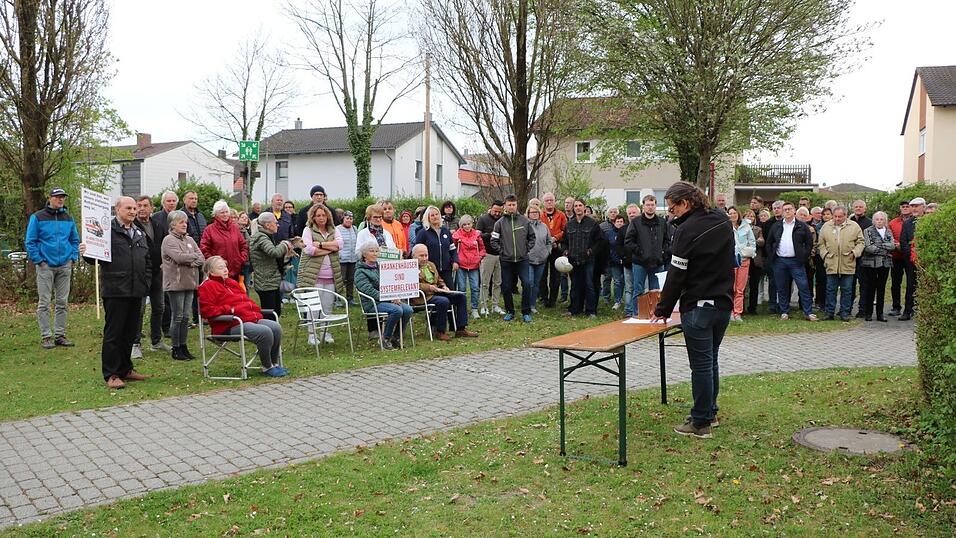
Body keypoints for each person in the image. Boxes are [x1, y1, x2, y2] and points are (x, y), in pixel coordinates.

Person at [649, 182, 735, 439]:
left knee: (701, 366)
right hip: (722, 303)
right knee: (711, 360)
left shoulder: (686, 231)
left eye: (673, 207)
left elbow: (676, 274)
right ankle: (709, 412)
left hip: (698, 306)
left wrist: (663, 308)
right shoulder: (722, 219)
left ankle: (700, 423)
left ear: (686, 203)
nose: (671, 213)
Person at [82, 196, 151, 389]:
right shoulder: (106, 231)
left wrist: (146, 280)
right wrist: (87, 251)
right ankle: (111, 374)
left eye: (134, 208)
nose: (132, 211)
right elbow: (94, 258)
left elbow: (146, 260)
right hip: (116, 289)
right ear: (117, 209)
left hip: (136, 289)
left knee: (130, 333)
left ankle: (125, 369)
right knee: (114, 333)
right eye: (128, 208)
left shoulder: (139, 231)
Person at [198, 256, 288, 377]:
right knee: (264, 332)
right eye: (220, 268)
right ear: (211, 272)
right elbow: (207, 311)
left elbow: (246, 301)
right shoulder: (207, 286)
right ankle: (267, 367)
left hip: (247, 318)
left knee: (275, 327)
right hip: (228, 325)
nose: (225, 270)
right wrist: (230, 309)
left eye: (225, 266)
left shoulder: (231, 282)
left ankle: (274, 363)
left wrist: (255, 311)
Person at [25, 187, 80, 349]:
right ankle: (46, 336)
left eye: (62, 197)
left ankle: (60, 335)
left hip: (64, 265)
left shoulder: (68, 218)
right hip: (45, 265)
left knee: (62, 301)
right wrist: (39, 260)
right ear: (49, 198)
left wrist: (73, 258)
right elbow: (31, 241)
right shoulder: (38, 217)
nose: (60, 200)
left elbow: (74, 240)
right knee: (44, 302)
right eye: (57, 197)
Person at [161, 210, 205, 360]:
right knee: (178, 316)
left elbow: (202, 258)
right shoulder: (168, 240)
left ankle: (183, 346)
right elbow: (178, 258)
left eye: (185, 222)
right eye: (181, 222)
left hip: (190, 283)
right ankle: (176, 348)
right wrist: (192, 258)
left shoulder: (190, 240)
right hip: (175, 284)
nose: (184, 225)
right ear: (173, 225)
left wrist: (190, 259)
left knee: (186, 317)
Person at [298, 203, 345, 344]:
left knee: (327, 307)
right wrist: (331, 248)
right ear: (313, 217)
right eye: (318, 215)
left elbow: (340, 245)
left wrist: (320, 244)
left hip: (331, 276)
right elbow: (309, 250)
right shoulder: (308, 230)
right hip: (314, 276)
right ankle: (312, 335)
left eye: (323, 215)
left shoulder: (333, 229)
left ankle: (325, 333)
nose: (321, 218)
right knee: (313, 307)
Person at [411, 244, 477, 340]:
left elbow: (439, 279)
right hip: (422, 297)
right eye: (421, 256)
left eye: (426, 255)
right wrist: (429, 287)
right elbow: (412, 285)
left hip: (436, 292)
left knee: (460, 297)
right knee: (443, 301)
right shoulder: (410, 267)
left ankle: (461, 328)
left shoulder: (431, 264)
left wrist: (443, 286)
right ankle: (440, 331)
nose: (424, 258)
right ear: (414, 256)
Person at [765, 202, 818, 321]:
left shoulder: (801, 226)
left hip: (796, 262)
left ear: (794, 211)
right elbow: (769, 242)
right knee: (782, 287)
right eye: (785, 210)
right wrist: (771, 256)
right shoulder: (776, 226)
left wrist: (804, 256)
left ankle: (808, 312)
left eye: (789, 209)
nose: (787, 211)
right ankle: (784, 311)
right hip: (780, 261)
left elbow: (809, 243)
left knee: (803, 286)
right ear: (782, 212)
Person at [354, 242, 412, 350]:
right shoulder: (360, 272)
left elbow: (390, 284)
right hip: (372, 303)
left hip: (386, 300)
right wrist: (390, 298)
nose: (375, 254)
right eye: (372, 251)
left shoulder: (381, 267)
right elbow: (369, 291)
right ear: (364, 255)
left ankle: (396, 337)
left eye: (376, 251)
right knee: (397, 310)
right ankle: (385, 338)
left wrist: (395, 295)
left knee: (408, 309)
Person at [131, 195, 167, 358]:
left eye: (145, 205)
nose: (142, 208)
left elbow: (164, 245)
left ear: (152, 208)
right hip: (140, 273)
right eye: (139, 206)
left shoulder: (158, 225)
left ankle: (156, 341)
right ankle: (135, 343)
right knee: (139, 309)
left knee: (159, 306)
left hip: (157, 272)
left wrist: (164, 262)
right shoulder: (132, 226)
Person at [491, 195, 536, 322]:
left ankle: (526, 312)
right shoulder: (499, 223)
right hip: (506, 260)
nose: (511, 207)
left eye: (514, 204)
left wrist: (527, 249)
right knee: (506, 287)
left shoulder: (525, 221)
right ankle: (510, 311)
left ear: (517, 205)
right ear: (505, 206)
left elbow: (532, 237)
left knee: (527, 284)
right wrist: (502, 251)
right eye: (509, 205)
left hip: (522, 259)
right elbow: (493, 240)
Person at [624, 194, 670, 316]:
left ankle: (655, 314)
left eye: (652, 205)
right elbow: (629, 241)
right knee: (638, 290)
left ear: (656, 206)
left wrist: (664, 253)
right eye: (647, 205)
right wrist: (640, 252)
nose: (650, 207)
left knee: (656, 291)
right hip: (640, 262)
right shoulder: (636, 222)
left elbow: (667, 240)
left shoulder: (662, 222)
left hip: (658, 262)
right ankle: (637, 314)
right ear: (643, 206)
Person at [817, 206, 864, 322]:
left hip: (847, 262)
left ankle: (845, 313)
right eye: (835, 216)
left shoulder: (854, 226)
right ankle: (829, 313)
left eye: (840, 216)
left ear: (845, 216)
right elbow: (820, 244)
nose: (837, 219)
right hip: (831, 262)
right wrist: (825, 254)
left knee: (847, 289)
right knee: (830, 289)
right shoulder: (826, 226)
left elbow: (861, 242)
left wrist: (855, 253)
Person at [249, 212, 295, 315]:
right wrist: (285, 244)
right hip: (265, 283)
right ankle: (267, 331)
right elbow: (274, 252)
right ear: (268, 225)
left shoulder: (266, 236)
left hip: (271, 281)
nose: (278, 224)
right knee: (270, 314)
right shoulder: (261, 237)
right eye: (275, 222)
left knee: (276, 313)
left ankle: (273, 330)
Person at [565, 198, 601, 317]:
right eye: (576, 206)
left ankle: (591, 311)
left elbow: (599, 242)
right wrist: (565, 251)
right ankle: (574, 309)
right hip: (573, 260)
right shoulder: (569, 224)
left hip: (588, 260)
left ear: (584, 207)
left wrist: (591, 251)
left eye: (580, 205)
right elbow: (564, 241)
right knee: (575, 285)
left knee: (589, 285)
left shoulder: (592, 224)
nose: (578, 207)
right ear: (573, 208)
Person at [152, 190, 179, 337]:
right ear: (163, 203)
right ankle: (165, 326)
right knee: (164, 297)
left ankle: (176, 323)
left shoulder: (181, 217)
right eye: (169, 201)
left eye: (174, 201)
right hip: (163, 262)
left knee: (176, 294)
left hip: (179, 262)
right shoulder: (156, 218)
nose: (171, 203)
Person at [200, 200, 248, 281]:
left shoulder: (235, 228)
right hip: (217, 274)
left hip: (235, 271)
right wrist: (214, 264)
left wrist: (241, 259)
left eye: (226, 212)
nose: (225, 214)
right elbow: (204, 249)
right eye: (222, 212)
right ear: (216, 214)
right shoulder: (209, 230)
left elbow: (243, 246)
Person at [860, 211, 895, 322]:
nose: (879, 221)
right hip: (871, 264)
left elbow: (892, 245)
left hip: (885, 264)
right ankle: (868, 313)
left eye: (881, 219)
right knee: (870, 288)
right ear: (873, 220)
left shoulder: (888, 231)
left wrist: (880, 246)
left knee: (881, 288)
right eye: (877, 219)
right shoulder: (868, 231)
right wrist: (884, 249)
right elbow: (868, 247)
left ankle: (880, 314)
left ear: (885, 221)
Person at [416, 205, 459, 289]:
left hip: (446, 269)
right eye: (432, 215)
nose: (435, 217)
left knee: (450, 291)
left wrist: (455, 261)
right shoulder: (423, 233)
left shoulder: (446, 231)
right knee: (437, 294)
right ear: (427, 217)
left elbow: (452, 249)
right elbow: (417, 251)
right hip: (430, 269)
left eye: (436, 214)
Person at [452, 214, 485, 319]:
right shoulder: (457, 235)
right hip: (461, 264)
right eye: (464, 224)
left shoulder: (476, 234)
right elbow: (452, 249)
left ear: (472, 224)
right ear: (461, 225)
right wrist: (455, 260)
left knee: (475, 287)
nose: (467, 226)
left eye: (468, 224)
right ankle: (462, 309)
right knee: (461, 288)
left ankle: (475, 309)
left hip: (474, 264)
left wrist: (479, 257)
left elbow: (482, 248)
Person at [898, 197, 925, 321]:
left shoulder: (929, 220)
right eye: (912, 206)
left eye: (916, 206)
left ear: (923, 207)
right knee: (910, 285)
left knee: (925, 286)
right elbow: (903, 241)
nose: (913, 208)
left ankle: (923, 311)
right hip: (910, 259)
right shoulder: (907, 223)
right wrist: (910, 255)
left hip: (926, 260)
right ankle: (908, 311)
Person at [539, 192, 568, 308]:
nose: (549, 202)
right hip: (543, 248)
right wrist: (547, 240)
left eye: (551, 200)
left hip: (557, 248)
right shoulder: (540, 215)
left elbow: (565, 230)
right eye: (547, 201)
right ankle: (544, 299)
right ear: (543, 202)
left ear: (554, 201)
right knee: (542, 274)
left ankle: (553, 300)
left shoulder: (561, 215)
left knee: (555, 276)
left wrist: (555, 238)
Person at [475, 200, 504, 315]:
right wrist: (489, 234)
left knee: (498, 282)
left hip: (500, 254)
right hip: (487, 254)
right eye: (495, 211)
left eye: (499, 211)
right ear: (491, 208)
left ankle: (495, 305)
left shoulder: (503, 220)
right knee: (485, 282)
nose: (497, 213)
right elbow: (477, 235)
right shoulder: (483, 219)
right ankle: (484, 305)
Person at [525, 204, 553, 315]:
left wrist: (548, 252)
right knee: (529, 282)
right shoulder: (526, 226)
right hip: (529, 259)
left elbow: (549, 241)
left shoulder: (544, 226)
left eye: (536, 212)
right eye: (532, 212)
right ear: (528, 214)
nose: (534, 214)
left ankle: (532, 305)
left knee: (536, 283)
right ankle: (526, 304)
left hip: (541, 259)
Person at [729, 207, 755, 321]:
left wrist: (750, 251)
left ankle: (737, 312)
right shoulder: (726, 227)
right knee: (730, 287)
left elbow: (752, 241)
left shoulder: (746, 226)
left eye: (734, 213)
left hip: (744, 259)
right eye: (730, 213)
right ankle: (729, 312)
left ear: (738, 214)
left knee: (740, 288)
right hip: (730, 260)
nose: (733, 215)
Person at [759, 200, 784, 313]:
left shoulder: (788, 222)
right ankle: (772, 305)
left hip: (785, 256)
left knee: (784, 282)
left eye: (779, 207)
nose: (776, 210)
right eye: (774, 208)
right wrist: (769, 255)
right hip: (772, 257)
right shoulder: (768, 223)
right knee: (772, 282)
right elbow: (766, 242)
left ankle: (783, 304)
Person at [848, 199, 872, 317]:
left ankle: (862, 309)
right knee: (849, 285)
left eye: (860, 207)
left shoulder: (870, 223)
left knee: (864, 285)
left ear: (865, 209)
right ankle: (847, 308)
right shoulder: (848, 222)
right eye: (856, 206)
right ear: (853, 208)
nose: (858, 208)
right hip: (850, 258)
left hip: (864, 259)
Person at [887, 201, 911, 317]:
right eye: (903, 207)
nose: (905, 208)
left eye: (907, 206)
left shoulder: (915, 221)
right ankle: (896, 306)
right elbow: (889, 237)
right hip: (897, 256)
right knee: (896, 282)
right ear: (900, 208)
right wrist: (897, 245)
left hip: (910, 257)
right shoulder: (893, 222)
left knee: (911, 283)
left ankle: (910, 307)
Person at [619, 204, 639, 316]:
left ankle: (641, 310)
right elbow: (619, 246)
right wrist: (624, 257)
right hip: (628, 263)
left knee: (642, 288)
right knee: (629, 288)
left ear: (638, 213)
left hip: (641, 262)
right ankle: (628, 310)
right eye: (630, 213)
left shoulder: (643, 228)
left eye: (634, 213)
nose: (632, 215)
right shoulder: (623, 229)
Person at [602, 214, 626, 310]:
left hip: (625, 261)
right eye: (617, 222)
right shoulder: (609, 234)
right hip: (614, 262)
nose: (619, 223)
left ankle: (621, 298)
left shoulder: (627, 232)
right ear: (614, 223)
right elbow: (607, 248)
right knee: (617, 281)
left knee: (624, 281)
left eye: (621, 221)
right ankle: (617, 301)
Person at [743, 209, 765, 315]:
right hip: (743, 259)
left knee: (754, 286)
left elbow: (761, 242)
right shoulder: (740, 229)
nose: (750, 218)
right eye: (747, 216)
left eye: (752, 216)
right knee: (742, 286)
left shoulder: (758, 229)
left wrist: (752, 242)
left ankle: (753, 308)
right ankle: (740, 308)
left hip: (755, 261)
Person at [598, 206, 620, 306]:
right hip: (606, 256)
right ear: (608, 214)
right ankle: (606, 297)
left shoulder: (621, 223)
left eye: (615, 212)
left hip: (617, 257)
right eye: (611, 212)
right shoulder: (602, 226)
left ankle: (618, 299)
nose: (613, 213)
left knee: (618, 279)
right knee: (606, 278)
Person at [336, 210, 359, 305]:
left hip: (353, 258)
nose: (349, 220)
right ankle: (337, 299)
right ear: (343, 219)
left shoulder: (354, 228)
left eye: (351, 218)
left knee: (351, 279)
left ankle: (350, 298)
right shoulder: (337, 229)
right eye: (347, 218)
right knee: (340, 280)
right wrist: (339, 254)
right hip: (342, 259)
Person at [235, 211, 254, 294]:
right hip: (241, 261)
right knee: (241, 284)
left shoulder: (248, 231)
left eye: (246, 218)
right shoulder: (237, 231)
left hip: (248, 261)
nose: (244, 219)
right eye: (242, 217)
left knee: (247, 284)